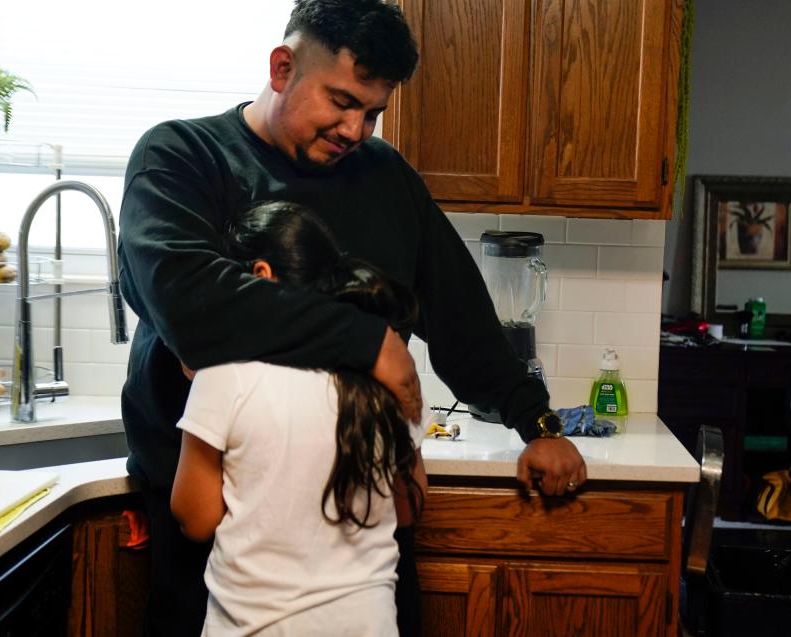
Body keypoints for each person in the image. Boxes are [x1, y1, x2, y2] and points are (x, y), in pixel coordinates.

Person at [117, 1, 587, 635]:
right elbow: (188, 301)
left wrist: (537, 419)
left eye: (373, 113)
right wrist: (369, 341)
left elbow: (461, 314)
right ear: (283, 68)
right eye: (341, 101)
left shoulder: (386, 178)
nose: (356, 129)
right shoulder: (181, 157)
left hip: (359, 533)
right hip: (208, 525)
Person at [170, 201, 428, 636]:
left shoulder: (224, 374)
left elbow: (195, 519)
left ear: (260, 277)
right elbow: (407, 509)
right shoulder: (388, 374)